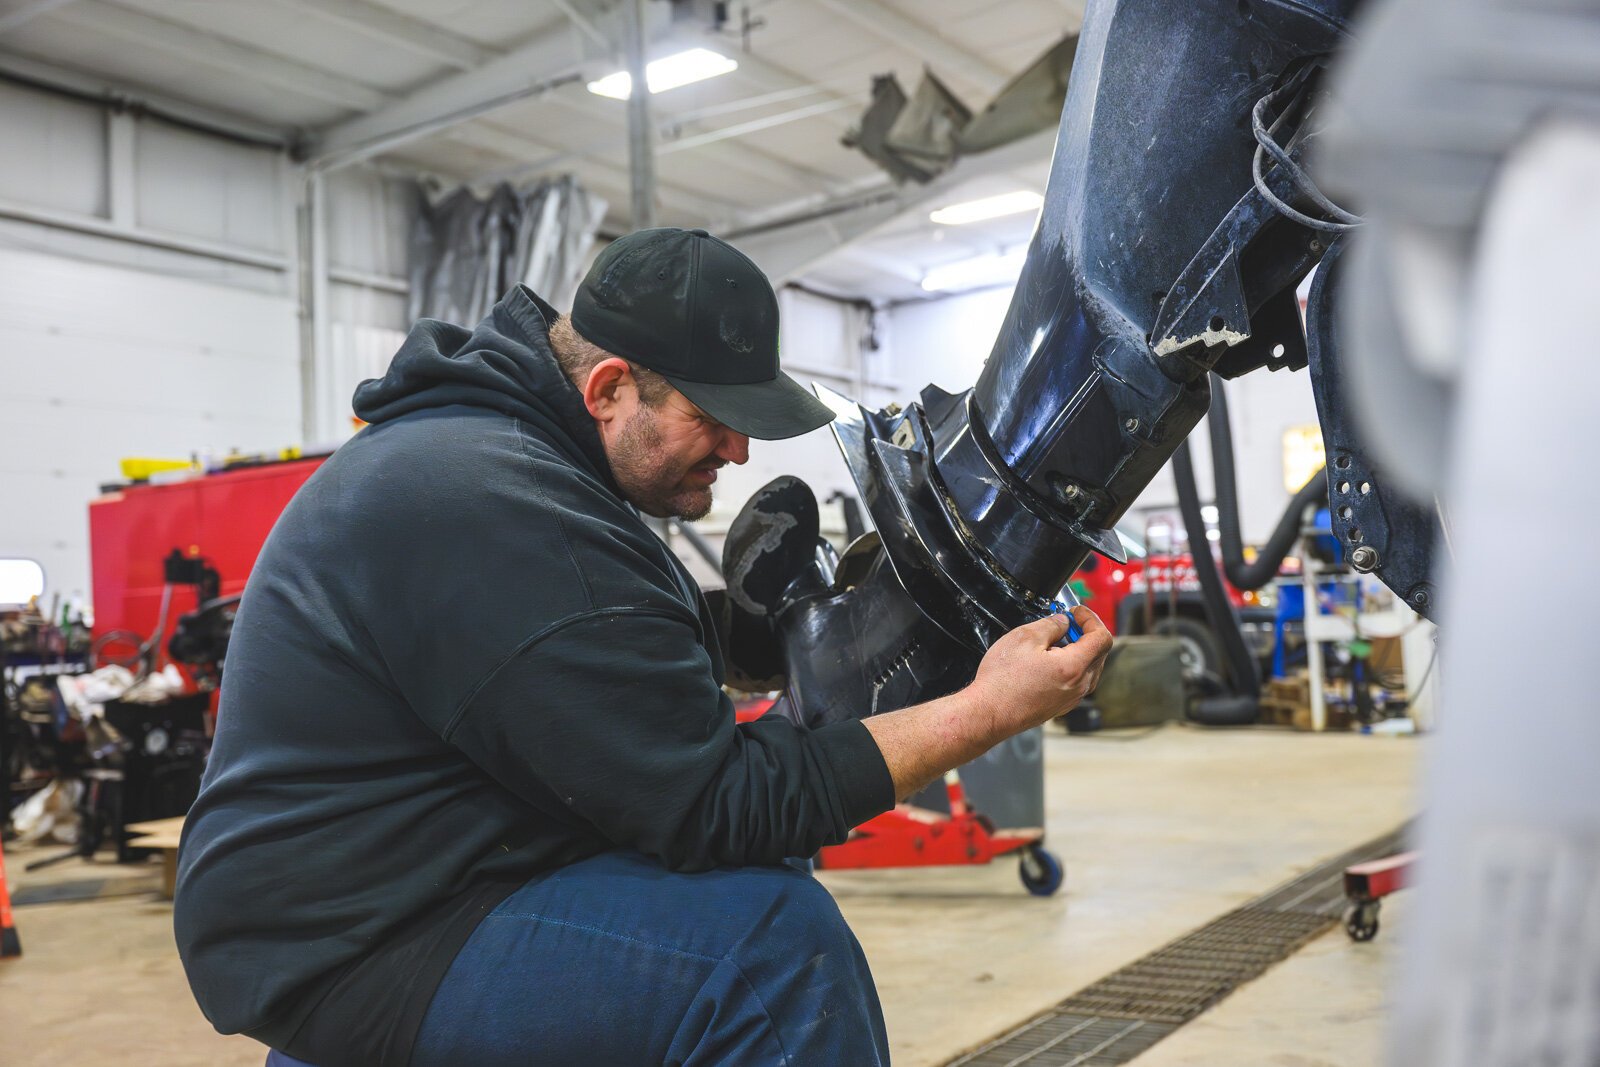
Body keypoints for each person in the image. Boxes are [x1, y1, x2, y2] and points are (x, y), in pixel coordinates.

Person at [174, 227, 1112, 1067]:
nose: (740, 450)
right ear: (610, 388)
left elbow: (572, 665)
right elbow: (717, 802)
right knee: (767, 952)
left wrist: (740, 629)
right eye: (714, 417)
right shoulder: (491, 501)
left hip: (432, 871)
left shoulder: (505, 464)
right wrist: (990, 708)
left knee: (752, 879)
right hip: (361, 940)